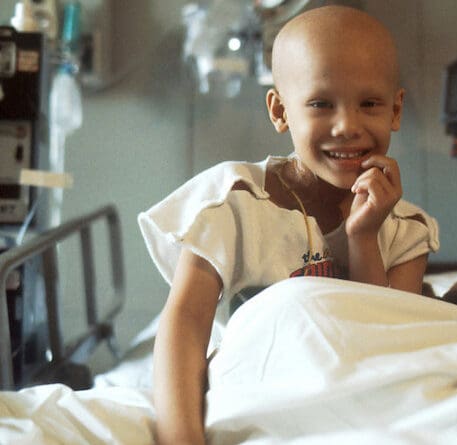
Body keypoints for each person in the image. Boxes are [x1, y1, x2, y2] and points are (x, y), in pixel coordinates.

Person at [138, 6, 439, 444]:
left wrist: (363, 237)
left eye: (369, 104)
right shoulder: (233, 202)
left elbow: (378, 347)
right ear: (280, 111)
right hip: (257, 396)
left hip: (352, 414)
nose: (347, 126)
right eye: (320, 103)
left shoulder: (406, 232)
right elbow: (184, 325)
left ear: (395, 110)